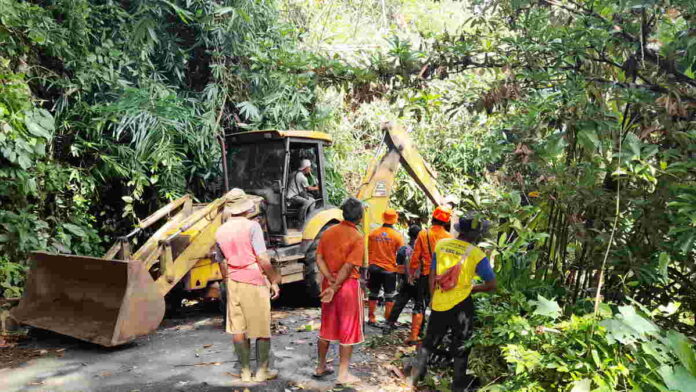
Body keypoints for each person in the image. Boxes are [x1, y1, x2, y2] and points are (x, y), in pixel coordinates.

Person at [410, 214, 497, 392]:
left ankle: (414, 378)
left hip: (440, 301)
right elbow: (491, 284)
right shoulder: (477, 255)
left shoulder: (441, 245)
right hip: (462, 306)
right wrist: (472, 288)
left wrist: (434, 295)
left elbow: (433, 274)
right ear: (475, 234)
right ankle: (457, 386)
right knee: (461, 346)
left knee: (429, 342)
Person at [214, 199, 282, 383]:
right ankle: (261, 372)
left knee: (238, 328)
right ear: (245, 207)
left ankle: (244, 372)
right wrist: (273, 280)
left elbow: (221, 261)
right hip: (253, 280)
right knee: (261, 327)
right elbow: (262, 258)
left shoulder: (220, 230)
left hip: (233, 281)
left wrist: (228, 281)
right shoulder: (253, 226)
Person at [314, 197, 365, 385]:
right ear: (359, 216)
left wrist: (329, 279)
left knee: (326, 326)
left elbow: (318, 258)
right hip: (347, 287)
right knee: (348, 329)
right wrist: (336, 285)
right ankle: (343, 375)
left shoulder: (328, 232)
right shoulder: (357, 237)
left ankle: (320, 366)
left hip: (328, 285)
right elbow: (349, 266)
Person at [405, 206, 453, 344]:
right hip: (442, 277)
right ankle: (434, 338)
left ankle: (414, 336)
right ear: (446, 222)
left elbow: (416, 256)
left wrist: (412, 273)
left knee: (420, 305)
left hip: (426, 275)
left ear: (433, 218)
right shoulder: (449, 238)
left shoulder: (423, 234)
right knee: (440, 306)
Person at [367, 209, 405, 325]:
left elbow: (370, 250)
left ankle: (371, 318)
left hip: (373, 268)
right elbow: (402, 253)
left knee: (373, 293)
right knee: (389, 296)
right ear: (395, 219)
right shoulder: (397, 236)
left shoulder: (373, 233)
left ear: (383, 218)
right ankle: (388, 319)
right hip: (389, 270)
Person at [383, 224, 421, 332]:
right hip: (419, 280)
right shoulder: (422, 249)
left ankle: (389, 324)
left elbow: (399, 264)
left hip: (406, 280)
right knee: (419, 305)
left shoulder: (404, 249)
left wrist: (400, 279)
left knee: (399, 303)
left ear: (409, 234)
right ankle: (417, 330)